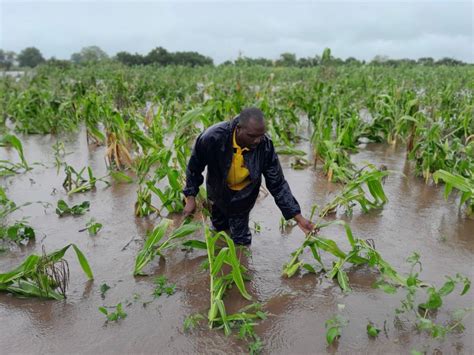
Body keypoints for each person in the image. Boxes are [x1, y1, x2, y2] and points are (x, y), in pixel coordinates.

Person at [182, 107, 315, 245]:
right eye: (252, 136)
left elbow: (277, 184)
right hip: (217, 192)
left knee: (241, 241)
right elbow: (194, 168)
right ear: (238, 129)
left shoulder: (265, 146)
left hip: (244, 195)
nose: (257, 140)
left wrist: (298, 217)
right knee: (219, 231)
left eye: (261, 135)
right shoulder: (212, 137)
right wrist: (190, 197)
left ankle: (241, 263)